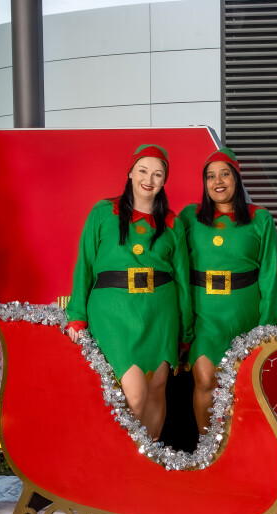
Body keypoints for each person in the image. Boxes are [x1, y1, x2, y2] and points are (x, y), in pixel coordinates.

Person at [65, 144, 192, 440]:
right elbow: (84, 264)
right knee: (134, 396)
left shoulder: (173, 224)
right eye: (143, 171)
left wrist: (186, 332)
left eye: (157, 174)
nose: (149, 179)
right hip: (114, 312)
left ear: (164, 180)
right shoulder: (102, 212)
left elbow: (183, 282)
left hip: (160, 313)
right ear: (131, 173)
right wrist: (77, 315)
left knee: (157, 389)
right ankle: (121, 463)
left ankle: (148, 459)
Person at [178, 148, 277, 433]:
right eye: (210, 176)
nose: (218, 182)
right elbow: (173, 264)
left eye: (224, 174)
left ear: (237, 178)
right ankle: (207, 448)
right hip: (203, 315)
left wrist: (266, 328)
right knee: (205, 381)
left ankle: (236, 447)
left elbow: (269, 276)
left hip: (243, 315)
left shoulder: (260, 218)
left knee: (240, 387)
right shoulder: (190, 217)